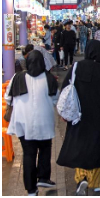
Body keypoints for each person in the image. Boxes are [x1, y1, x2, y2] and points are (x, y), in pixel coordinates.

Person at [57, 40, 100, 195]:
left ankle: (82, 178)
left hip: (79, 116)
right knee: (99, 148)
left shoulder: (76, 68)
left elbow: (65, 88)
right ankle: (98, 183)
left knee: (81, 147)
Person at [5, 50, 60, 196]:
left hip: (23, 123)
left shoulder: (18, 77)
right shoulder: (49, 78)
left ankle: (31, 189)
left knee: (28, 154)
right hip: (44, 121)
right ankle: (43, 177)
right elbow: (55, 99)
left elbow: (8, 97)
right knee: (45, 149)